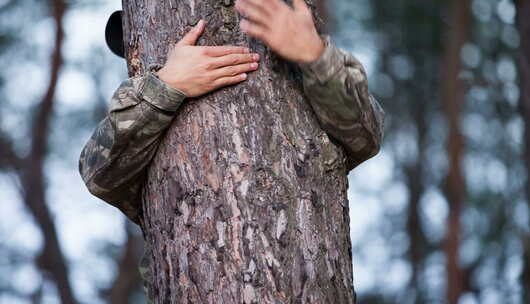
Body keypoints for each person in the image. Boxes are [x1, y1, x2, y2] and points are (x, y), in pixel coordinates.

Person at [79, 0, 385, 299]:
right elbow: (97, 172)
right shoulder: (145, 127)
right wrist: (167, 85)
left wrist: (316, 58)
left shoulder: (306, 81)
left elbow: (367, 134)